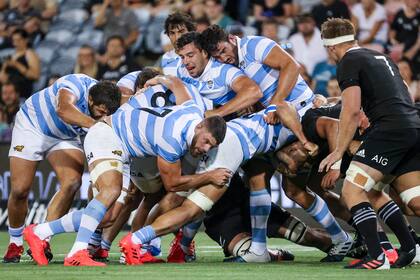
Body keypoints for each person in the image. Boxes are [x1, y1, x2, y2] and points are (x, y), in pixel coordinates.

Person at [24, 76, 229, 266]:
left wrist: (159, 79)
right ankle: (77, 252)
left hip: (124, 149)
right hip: (107, 134)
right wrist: (209, 176)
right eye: (206, 142)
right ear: (200, 126)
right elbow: (172, 184)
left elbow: (176, 83)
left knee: (108, 217)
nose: (205, 149)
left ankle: (40, 231)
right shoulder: (172, 139)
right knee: (110, 191)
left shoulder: (192, 110)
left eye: (211, 146)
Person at [319, 18, 420, 269]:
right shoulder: (381, 57)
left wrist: (338, 153)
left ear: (331, 48)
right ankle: (410, 249)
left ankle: (377, 256)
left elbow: (351, 111)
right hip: (413, 125)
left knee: (352, 191)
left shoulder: (348, 62)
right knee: (385, 194)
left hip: (389, 129)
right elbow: (404, 91)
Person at [2, 74, 121, 263]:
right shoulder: (75, 83)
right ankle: (15, 242)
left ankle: (42, 237)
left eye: (105, 114)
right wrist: (97, 126)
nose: (101, 116)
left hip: (65, 135)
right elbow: (64, 110)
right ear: (90, 99)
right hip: (32, 126)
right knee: (20, 190)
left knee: (72, 183)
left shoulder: (110, 98)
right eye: (98, 111)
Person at [175, 31, 263, 118]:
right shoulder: (181, 70)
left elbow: (254, 91)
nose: (185, 62)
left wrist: (217, 112)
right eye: (182, 57)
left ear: (204, 53)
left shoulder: (224, 70)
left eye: (190, 55)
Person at [0, 28, 40, 98]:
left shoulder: (30, 53)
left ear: (26, 40)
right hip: (7, 89)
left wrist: (17, 65)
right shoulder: (12, 54)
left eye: (18, 40)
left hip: (21, 90)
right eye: (14, 40)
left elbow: (35, 75)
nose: (15, 43)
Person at [161, 12, 196, 76]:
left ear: (191, 32)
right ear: (168, 35)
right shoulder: (166, 57)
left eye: (181, 32)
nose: (177, 37)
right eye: (172, 33)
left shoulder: (201, 54)